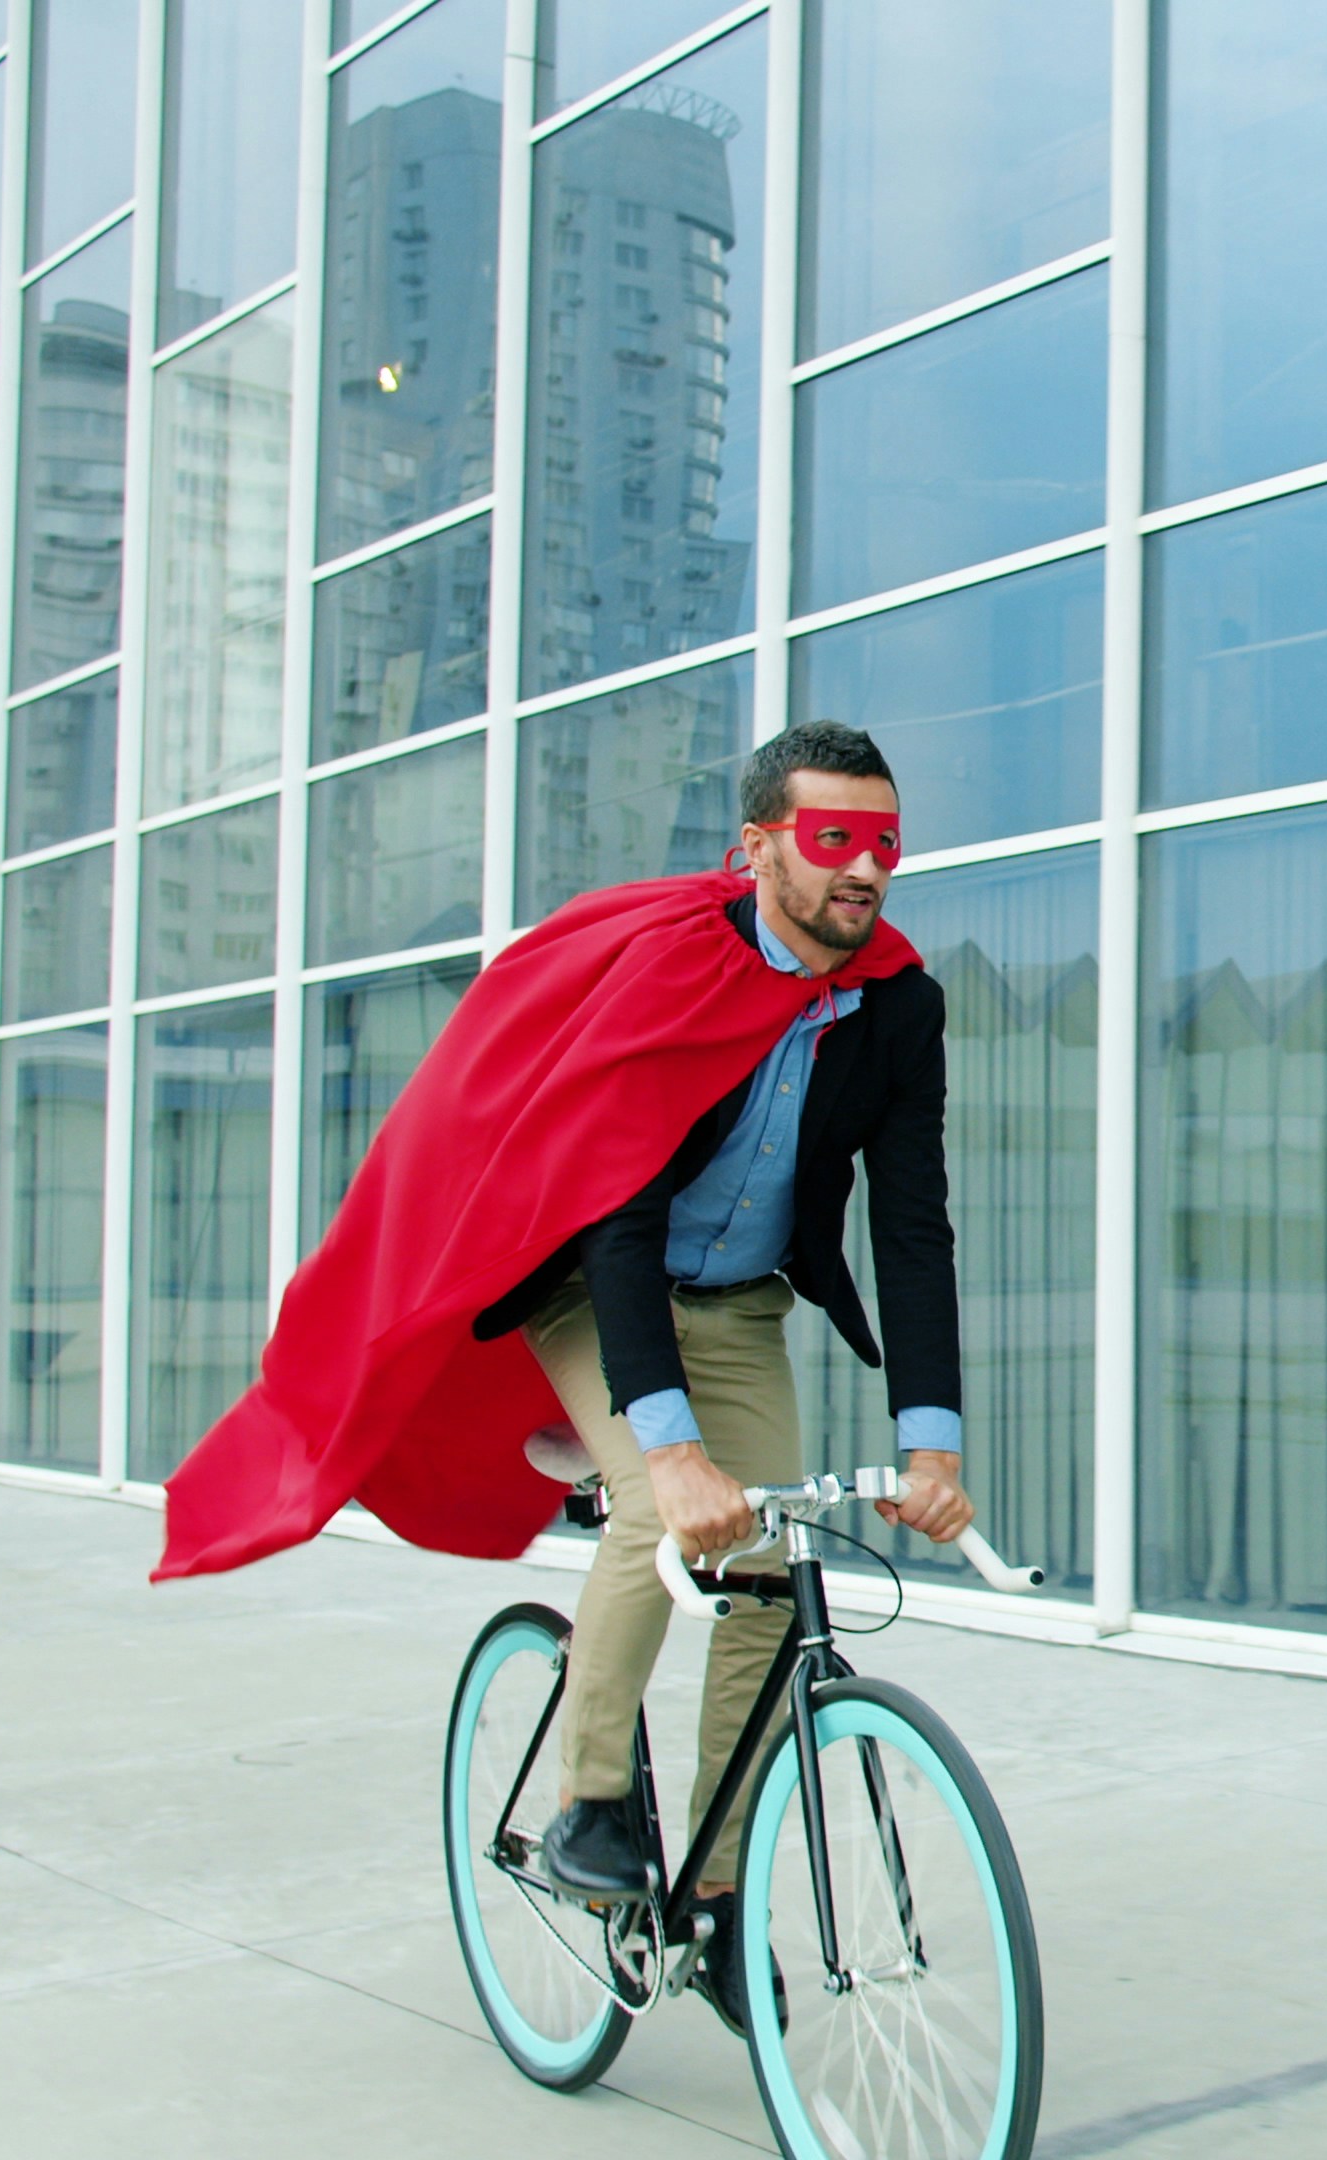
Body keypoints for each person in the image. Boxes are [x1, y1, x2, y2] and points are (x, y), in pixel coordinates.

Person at [470, 722, 972, 2031]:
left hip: (744, 1306)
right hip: (598, 1281)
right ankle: (585, 1800)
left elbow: (911, 1224)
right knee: (663, 1503)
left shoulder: (900, 1004)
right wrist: (673, 1442)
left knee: (764, 1573)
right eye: (834, 839)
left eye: (885, 841)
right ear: (758, 848)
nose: (866, 868)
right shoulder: (670, 976)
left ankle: (721, 1890)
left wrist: (933, 1438)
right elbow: (619, 1211)